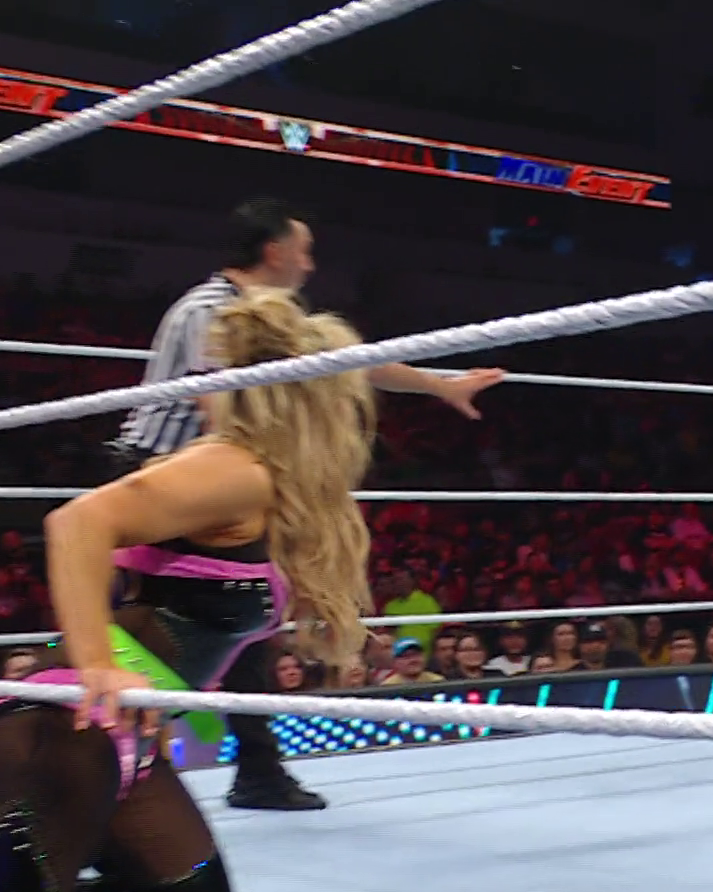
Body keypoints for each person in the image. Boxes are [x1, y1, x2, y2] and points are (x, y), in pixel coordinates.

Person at [0, 289, 375, 892]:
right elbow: (78, 523)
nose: (194, 397)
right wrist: (98, 664)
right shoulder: (230, 467)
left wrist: (437, 382)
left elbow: (350, 365)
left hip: (126, 735)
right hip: (64, 725)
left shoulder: (266, 480)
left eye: (210, 379)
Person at [109, 197, 504, 812]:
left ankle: (246, 770)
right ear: (275, 251)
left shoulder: (270, 316)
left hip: (211, 482)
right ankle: (127, 758)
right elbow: (224, 415)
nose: (310, 264)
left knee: (241, 621)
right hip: (165, 479)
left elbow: (352, 363)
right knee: (185, 626)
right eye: (304, 250)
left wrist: (439, 385)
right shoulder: (211, 310)